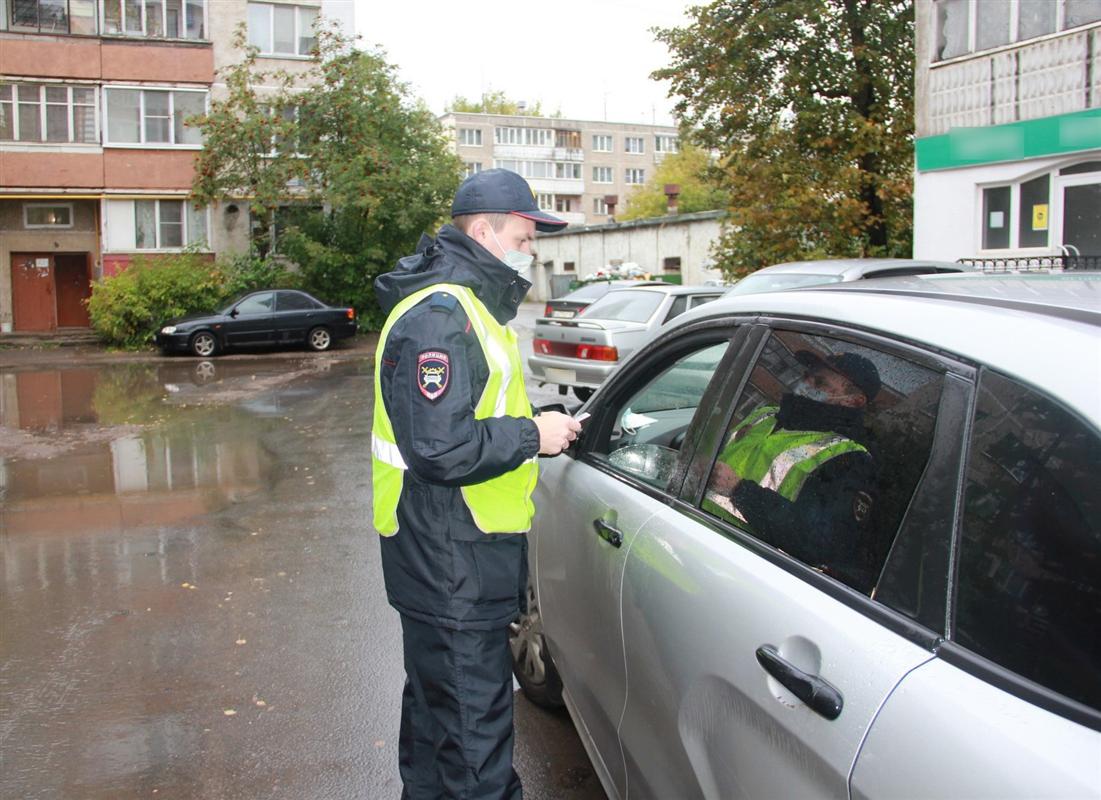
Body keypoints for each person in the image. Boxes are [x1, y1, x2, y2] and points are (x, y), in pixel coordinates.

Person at [371, 168, 582, 800]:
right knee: (475, 751)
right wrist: (532, 436)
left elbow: (473, 412)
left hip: (451, 557)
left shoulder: (468, 307)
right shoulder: (443, 315)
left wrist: (535, 421)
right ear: (485, 232)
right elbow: (440, 447)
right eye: (524, 234)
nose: (531, 248)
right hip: (449, 560)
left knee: (439, 725)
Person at [706, 349, 881, 590]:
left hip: (739, 576)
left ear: (854, 401)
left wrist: (739, 490)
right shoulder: (765, 415)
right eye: (808, 375)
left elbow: (816, 540)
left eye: (820, 382)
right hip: (694, 539)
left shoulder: (848, 459)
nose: (807, 382)